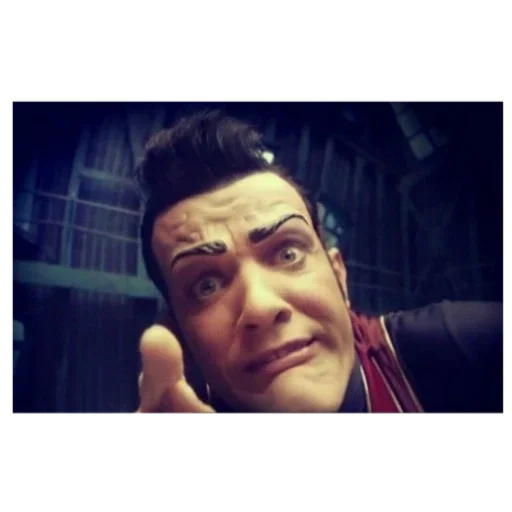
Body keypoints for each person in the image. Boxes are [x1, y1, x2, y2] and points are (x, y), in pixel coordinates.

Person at [134, 109, 504, 415]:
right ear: (181, 336)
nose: (261, 306)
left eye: (288, 253)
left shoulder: (462, 348)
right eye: (206, 286)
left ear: (339, 276)